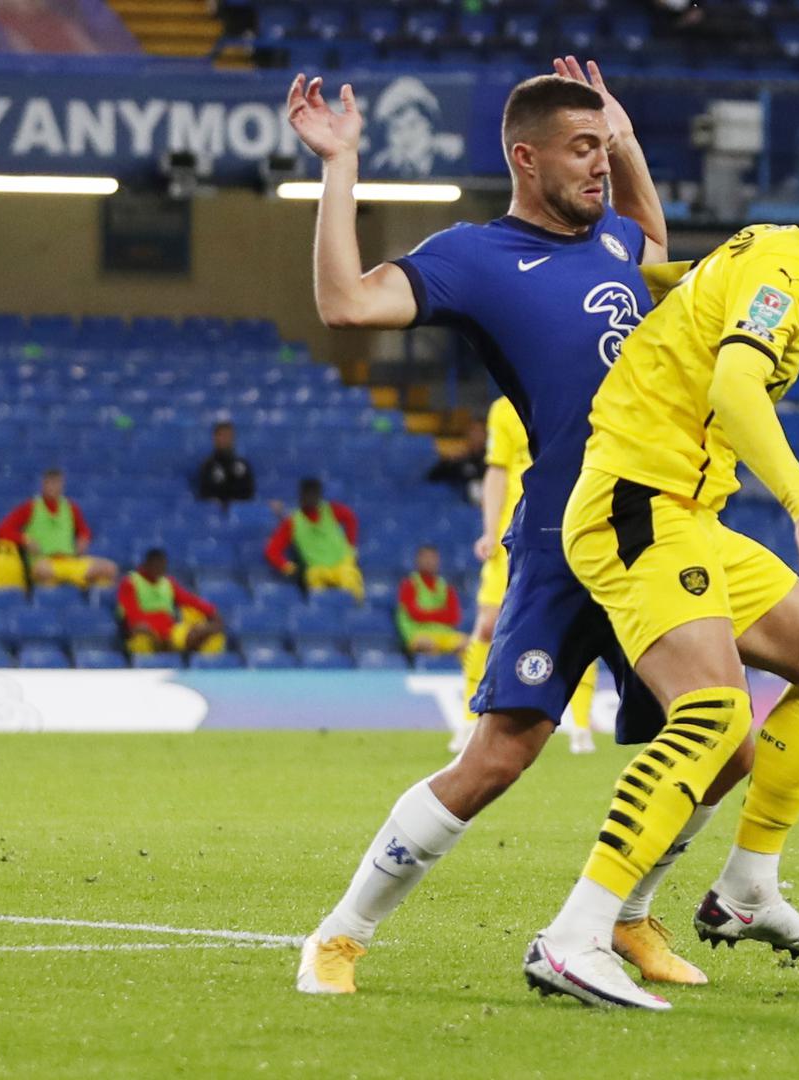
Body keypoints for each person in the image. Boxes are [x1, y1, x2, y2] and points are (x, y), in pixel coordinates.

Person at [288, 60, 716, 996]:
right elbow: (346, 304)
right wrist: (340, 166)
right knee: (500, 756)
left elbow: (651, 238)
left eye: (602, 149)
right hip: (568, 538)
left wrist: (629, 140)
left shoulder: (611, 238)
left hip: (653, 531)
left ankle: (628, 919)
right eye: (581, 150)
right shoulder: (475, 256)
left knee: (719, 739)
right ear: (525, 159)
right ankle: (339, 935)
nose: (597, 167)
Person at [525, 124, 799, 1010]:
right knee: (716, 716)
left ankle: (746, 889)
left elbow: (677, 298)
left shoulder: (771, 259)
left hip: (688, 515)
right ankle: (574, 936)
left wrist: (633, 159)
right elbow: (730, 386)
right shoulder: (782, 273)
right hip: (638, 505)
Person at [456, 395, 598, 756]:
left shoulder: (577, 396)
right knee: (487, 624)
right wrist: (489, 530)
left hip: (568, 526)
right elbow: (497, 470)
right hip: (513, 532)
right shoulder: (504, 409)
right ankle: (468, 721)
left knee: (580, 626)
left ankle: (581, 725)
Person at [0, 469, 118, 589]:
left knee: (110, 568)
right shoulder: (30, 507)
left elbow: (84, 530)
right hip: (44, 561)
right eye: (50, 483)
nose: (54, 487)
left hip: (69, 560)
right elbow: (2, 529)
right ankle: (63, 591)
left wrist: (83, 539)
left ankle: (90, 602)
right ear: (43, 485)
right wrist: (24, 540)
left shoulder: (71, 508)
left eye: (57, 483)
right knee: (43, 571)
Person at [264, 478, 364, 602]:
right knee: (318, 602)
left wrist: (351, 546)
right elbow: (272, 551)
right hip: (316, 570)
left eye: (314, 494)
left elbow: (350, 518)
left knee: (354, 593)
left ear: (319, 496)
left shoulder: (331, 510)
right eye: (308, 495)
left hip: (342, 564)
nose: (311, 498)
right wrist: (291, 569)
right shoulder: (292, 522)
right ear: (301, 496)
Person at [118, 548, 226, 656]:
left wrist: (212, 612)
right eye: (157, 566)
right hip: (144, 631)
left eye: (163, 566)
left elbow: (189, 600)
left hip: (169, 629)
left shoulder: (167, 582)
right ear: (147, 564)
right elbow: (131, 614)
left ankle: (200, 666)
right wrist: (152, 633)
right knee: (141, 642)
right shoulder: (130, 582)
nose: (160, 570)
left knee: (211, 637)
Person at [396, 545, 467, 656]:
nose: (429, 562)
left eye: (433, 558)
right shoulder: (409, 585)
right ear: (418, 560)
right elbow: (414, 614)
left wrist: (427, 614)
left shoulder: (446, 587)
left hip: (442, 633)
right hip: (417, 634)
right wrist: (441, 614)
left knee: (468, 643)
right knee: (428, 645)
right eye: (426, 558)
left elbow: (454, 617)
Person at [425, 418, 487, 498]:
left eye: (479, 432)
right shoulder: (459, 460)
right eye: (473, 432)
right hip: (459, 503)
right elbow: (432, 477)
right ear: (467, 435)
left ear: (485, 435)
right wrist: (446, 461)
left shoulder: (491, 459)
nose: (475, 436)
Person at [197, 420, 256, 504]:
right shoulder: (207, 466)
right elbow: (205, 495)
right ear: (215, 438)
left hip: (240, 512)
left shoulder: (243, 465)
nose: (226, 439)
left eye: (229, 436)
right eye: (222, 435)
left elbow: (249, 494)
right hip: (215, 514)